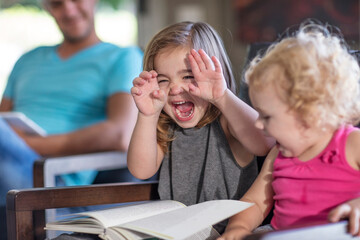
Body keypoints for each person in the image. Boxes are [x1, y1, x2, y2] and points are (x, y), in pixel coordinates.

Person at [0, 0, 142, 237]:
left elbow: (120, 134)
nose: (68, 10)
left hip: (53, 177)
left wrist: (26, 143)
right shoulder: (28, 60)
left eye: (76, 0)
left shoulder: (123, 57)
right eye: (57, 3)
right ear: (47, 8)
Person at [127, 21, 274, 234]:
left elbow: (265, 143)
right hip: (176, 232)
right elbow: (140, 170)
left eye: (188, 76)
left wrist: (221, 96)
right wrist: (147, 115)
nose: (175, 88)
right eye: (163, 80)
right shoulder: (166, 126)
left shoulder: (227, 121)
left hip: (230, 233)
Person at [219, 21, 360, 240]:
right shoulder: (278, 154)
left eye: (267, 116)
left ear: (308, 114)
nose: (258, 123)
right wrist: (238, 229)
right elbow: (255, 202)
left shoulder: (352, 144)